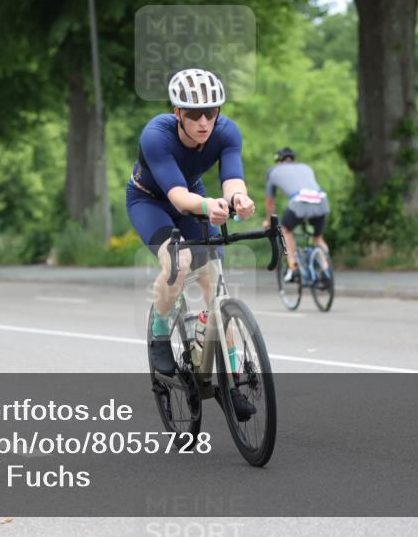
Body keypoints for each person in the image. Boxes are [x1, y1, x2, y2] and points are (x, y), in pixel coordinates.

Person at [126, 68, 257, 420]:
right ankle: (159, 333)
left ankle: (231, 382)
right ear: (177, 113)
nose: (203, 122)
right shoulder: (156, 135)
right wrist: (209, 205)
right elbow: (178, 196)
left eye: (210, 112)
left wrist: (239, 199)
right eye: (195, 114)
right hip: (151, 201)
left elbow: (232, 178)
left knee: (215, 285)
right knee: (179, 262)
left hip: (194, 197)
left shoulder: (227, 131)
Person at [263, 148, 331, 283]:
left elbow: (270, 202)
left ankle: (293, 267)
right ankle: (326, 270)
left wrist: (269, 221)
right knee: (318, 238)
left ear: (278, 160)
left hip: (300, 201)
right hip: (321, 199)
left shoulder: (272, 171)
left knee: (285, 230)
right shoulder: (306, 167)